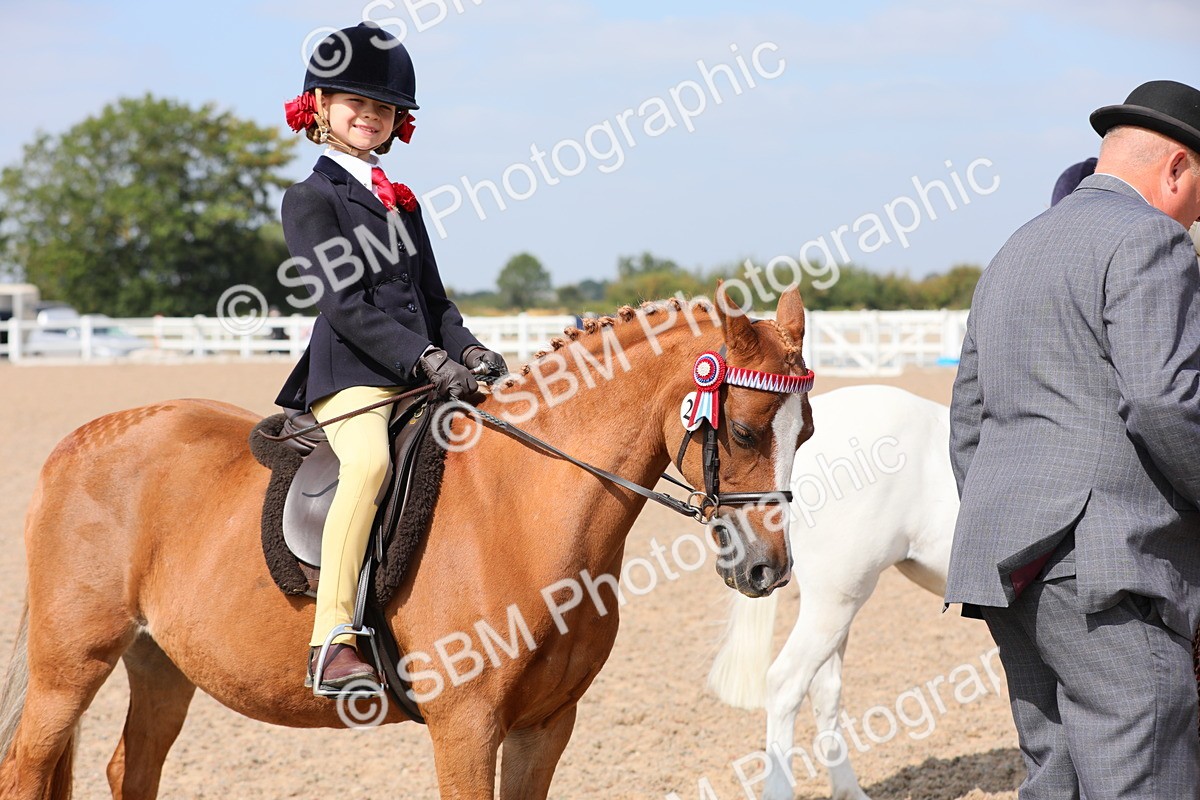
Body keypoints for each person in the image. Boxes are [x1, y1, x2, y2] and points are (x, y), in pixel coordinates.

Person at [945, 79, 1200, 798]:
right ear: (1177, 166)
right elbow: (1164, 400)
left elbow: (967, 421)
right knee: (1145, 775)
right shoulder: (1150, 238)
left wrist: (1017, 519)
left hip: (1008, 570)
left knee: (1054, 778)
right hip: (1107, 571)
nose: (1197, 216)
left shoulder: (1015, 249)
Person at [274, 22, 507, 693]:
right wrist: (426, 359)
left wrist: (469, 348)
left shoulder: (403, 203)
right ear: (321, 106)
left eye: (382, 107)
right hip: (353, 377)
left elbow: (434, 300)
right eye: (356, 103)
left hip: (423, 371)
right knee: (370, 463)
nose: (370, 115)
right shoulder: (310, 199)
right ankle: (332, 639)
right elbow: (343, 304)